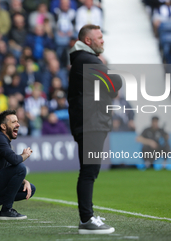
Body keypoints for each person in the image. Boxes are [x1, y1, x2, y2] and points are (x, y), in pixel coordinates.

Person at [68, 24, 122, 234]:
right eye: (99, 38)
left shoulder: (82, 60)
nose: (102, 41)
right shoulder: (87, 60)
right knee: (89, 171)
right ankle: (86, 219)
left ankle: (87, 217)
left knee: (90, 170)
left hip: (89, 121)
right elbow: (114, 82)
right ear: (88, 41)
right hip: (90, 122)